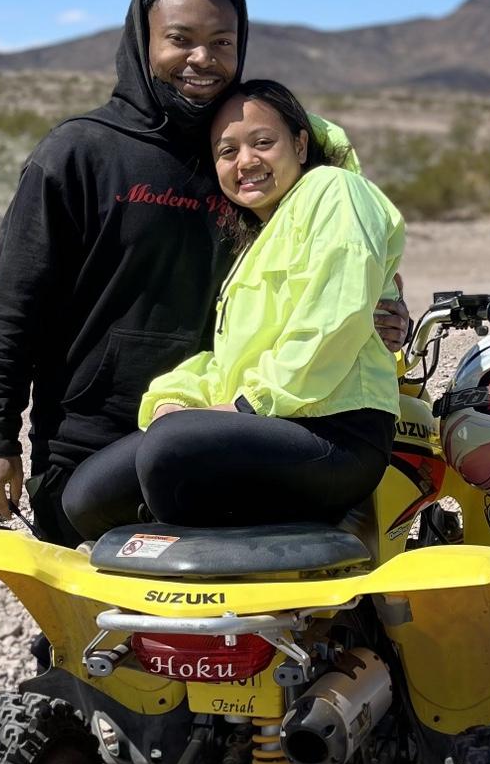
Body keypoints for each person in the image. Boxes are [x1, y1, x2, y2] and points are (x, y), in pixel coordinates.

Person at [0, 0, 406, 544]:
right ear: (142, 41)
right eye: (181, 39)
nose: (203, 58)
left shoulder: (248, 169)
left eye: (221, 42)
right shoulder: (79, 152)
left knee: (239, 610)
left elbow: (336, 256)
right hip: (95, 437)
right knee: (92, 617)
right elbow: (15, 308)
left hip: (246, 431)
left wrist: (384, 297)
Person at [61, 79, 405, 539]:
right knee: (86, 496)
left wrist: (246, 406)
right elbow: (227, 361)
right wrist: (176, 399)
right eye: (228, 152)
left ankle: (233, 591)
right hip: (265, 427)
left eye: (264, 142)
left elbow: (331, 324)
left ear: (300, 145)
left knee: (172, 451)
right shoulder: (252, 243)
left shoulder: (334, 190)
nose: (246, 161)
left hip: (336, 433)